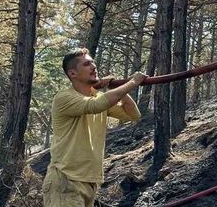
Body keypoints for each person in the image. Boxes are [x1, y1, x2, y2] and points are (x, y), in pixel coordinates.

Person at [42, 48, 147, 207]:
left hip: (90, 183)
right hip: (66, 181)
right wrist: (132, 82)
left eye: (93, 62)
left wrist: (118, 90)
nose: (93, 66)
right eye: (87, 64)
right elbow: (96, 105)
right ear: (73, 74)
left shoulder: (97, 97)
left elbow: (133, 114)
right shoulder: (64, 98)